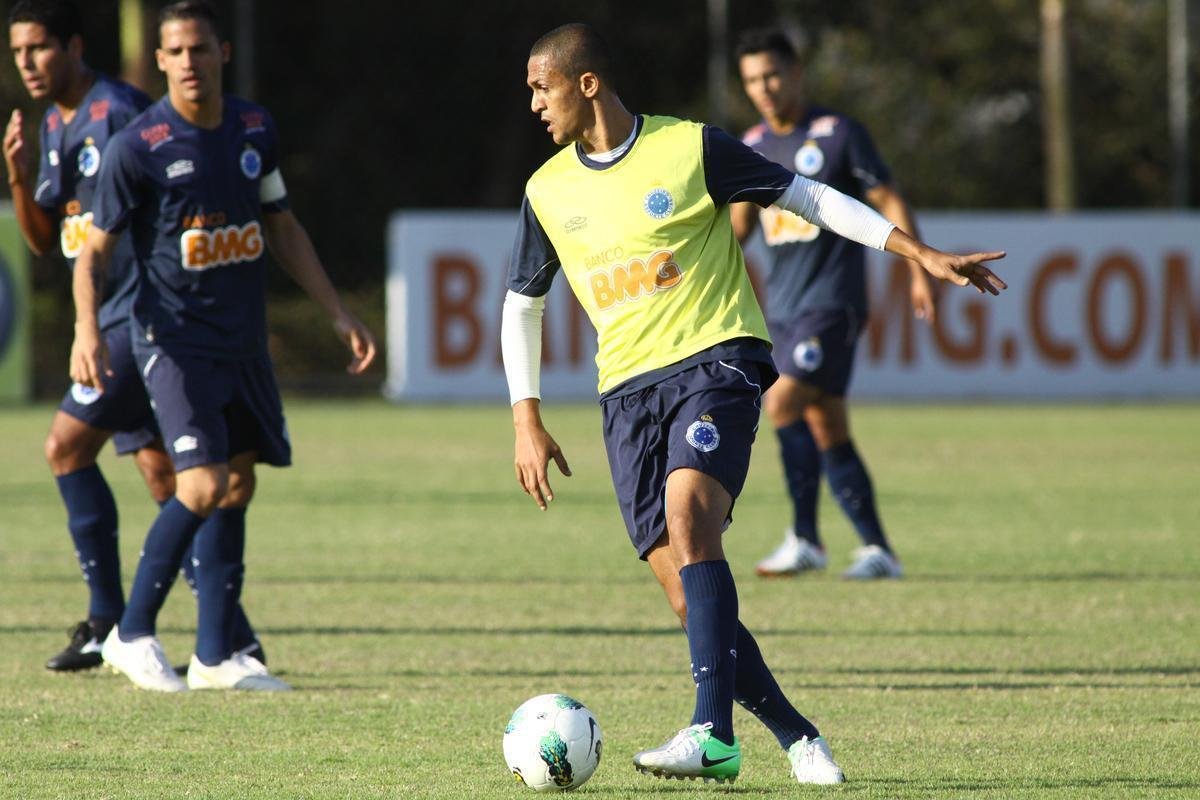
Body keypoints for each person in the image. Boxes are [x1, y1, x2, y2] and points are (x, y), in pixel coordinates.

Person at [504, 23, 1005, 786]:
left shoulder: (690, 148)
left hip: (717, 360)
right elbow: (522, 307)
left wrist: (919, 253)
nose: (533, 102)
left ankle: (712, 732)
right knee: (685, 593)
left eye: (542, 86)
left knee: (690, 517)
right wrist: (526, 419)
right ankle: (798, 734)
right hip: (626, 394)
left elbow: (810, 197)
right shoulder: (546, 190)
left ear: (587, 84)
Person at [70, 0, 376, 692]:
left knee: (236, 483)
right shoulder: (138, 147)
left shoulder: (253, 127)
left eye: (199, 49)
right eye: (175, 52)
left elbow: (281, 225)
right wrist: (88, 332)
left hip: (242, 344)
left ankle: (216, 656)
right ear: (159, 60)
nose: (188, 63)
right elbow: (93, 255)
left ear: (222, 54)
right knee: (201, 484)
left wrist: (336, 311)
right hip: (173, 343)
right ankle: (132, 631)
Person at [4, 0, 263, 673]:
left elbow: (139, 228)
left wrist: (98, 326)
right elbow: (48, 245)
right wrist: (19, 177)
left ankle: (112, 623)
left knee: (67, 446)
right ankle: (229, 636)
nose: (27, 63)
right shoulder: (54, 124)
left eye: (38, 48)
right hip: (118, 320)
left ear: (74, 46)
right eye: (17, 52)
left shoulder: (117, 112)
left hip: (137, 320)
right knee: (170, 478)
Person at [733, 29, 934, 580]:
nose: (764, 88)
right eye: (752, 80)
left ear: (796, 72)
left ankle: (805, 538)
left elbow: (887, 197)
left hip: (833, 306)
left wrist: (919, 270)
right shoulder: (750, 145)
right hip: (785, 311)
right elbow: (738, 229)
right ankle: (879, 550)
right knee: (827, 427)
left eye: (772, 75)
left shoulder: (840, 134)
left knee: (782, 406)